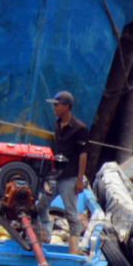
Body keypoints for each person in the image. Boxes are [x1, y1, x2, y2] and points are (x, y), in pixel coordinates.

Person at [38, 90, 91, 250]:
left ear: (66, 107)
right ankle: (45, 237)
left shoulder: (79, 128)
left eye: (57, 105)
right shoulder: (56, 124)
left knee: (71, 214)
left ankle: (74, 248)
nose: (54, 108)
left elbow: (83, 154)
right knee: (41, 205)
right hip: (55, 174)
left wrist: (80, 179)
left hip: (70, 176)